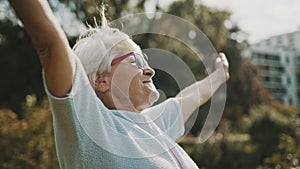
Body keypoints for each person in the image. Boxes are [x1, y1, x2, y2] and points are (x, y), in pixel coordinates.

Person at [8, 0, 229, 169]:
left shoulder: (151, 126)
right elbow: (50, 43)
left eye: (146, 60)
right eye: (136, 61)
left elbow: (188, 98)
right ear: (101, 80)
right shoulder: (91, 125)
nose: (149, 70)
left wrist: (220, 75)